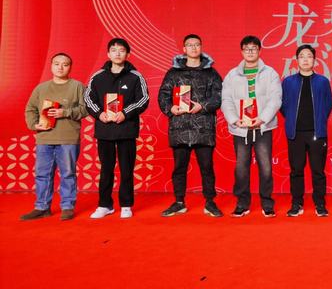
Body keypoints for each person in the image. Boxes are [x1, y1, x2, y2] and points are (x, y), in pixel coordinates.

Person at [158, 34, 223, 218]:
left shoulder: (211, 73)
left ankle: (210, 202)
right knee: (179, 167)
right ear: (184, 49)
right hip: (179, 127)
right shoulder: (173, 73)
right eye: (190, 45)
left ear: (201, 48)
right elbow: (163, 96)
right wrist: (171, 108)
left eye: (197, 45)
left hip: (203, 127)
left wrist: (202, 106)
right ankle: (179, 202)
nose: (194, 48)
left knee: (207, 167)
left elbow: (219, 96)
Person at [84, 38, 149, 219]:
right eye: (114, 50)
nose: (118, 53)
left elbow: (143, 99)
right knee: (106, 169)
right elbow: (88, 99)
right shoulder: (98, 77)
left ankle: (126, 205)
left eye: (121, 50)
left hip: (126, 129)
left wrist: (125, 113)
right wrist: (99, 114)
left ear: (128, 54)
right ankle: (104, 205)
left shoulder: (136, 76)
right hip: (104, 130)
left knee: (127, 169)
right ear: (108, 54)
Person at [20, 53, 87, 221]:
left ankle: (67, 207)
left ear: (70, 67)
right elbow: (30, 108)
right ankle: (42, 207)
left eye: (65, 64)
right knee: (42, 174)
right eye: (57, 64)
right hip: (44, 137)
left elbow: (86, 109)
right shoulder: (41, 88)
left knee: (68, 173)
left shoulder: (78, 86)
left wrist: (65, 112)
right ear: (51, 66)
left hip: (68, 138)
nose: (60, 67)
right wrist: (34, 124)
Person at [221, 35, 282, 217]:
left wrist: (262, 118)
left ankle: (267, 203)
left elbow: (275, 99)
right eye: (247, 49)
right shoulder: (232, 75)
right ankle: (242, 203)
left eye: (254, 48)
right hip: (240, 129)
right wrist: (234, 120)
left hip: (263, 128)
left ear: (259, 51)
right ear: (241, 51)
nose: (250, 52)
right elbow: (226, 100)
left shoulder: (270, 73)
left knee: (266, 167)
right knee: (241, 167)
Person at [280, 44, 332, 217]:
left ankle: (320, 204)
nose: (305, 59)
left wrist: (320, 121)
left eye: (309, 56)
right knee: (296, 170)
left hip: (317, 133)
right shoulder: (288, 82)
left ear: (314, 60)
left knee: (318, 171)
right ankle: (297, 203)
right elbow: (283, 105)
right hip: (295, 133)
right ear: (296, 60)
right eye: (302, 56)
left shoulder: (322, 81)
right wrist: (291, 118)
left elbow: (328, 104)